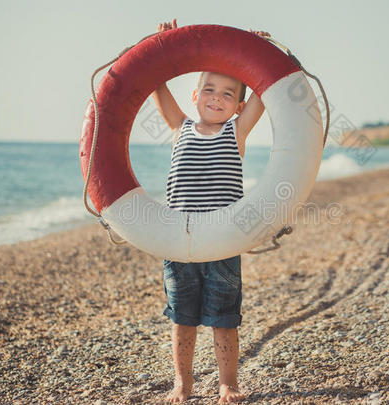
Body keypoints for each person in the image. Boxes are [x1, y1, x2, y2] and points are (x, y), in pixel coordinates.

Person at [152, 19, 269, 403]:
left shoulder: (236, 131)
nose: (216, 98)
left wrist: (259, 54)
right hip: (179, 242)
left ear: (238, 104)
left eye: (228, 94)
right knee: (182, 319)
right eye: (209, 89)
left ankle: (227, 384)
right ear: (195, 95)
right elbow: (156, 84)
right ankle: (182, 384)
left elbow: (265, 89)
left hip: (221, 243)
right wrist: (160, 45)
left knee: (223, 320)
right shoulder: (179, 127)